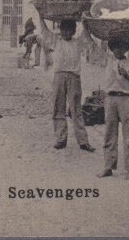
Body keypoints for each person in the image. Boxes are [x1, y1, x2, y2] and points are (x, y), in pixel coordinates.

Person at [38, 17, 98, 152]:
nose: (65, 33)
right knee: (58, 107)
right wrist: (41, 17)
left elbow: (86, 33)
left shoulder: (78, 43)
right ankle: (60, 139)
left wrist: (85, 21)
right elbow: (45, 31)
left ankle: (83, 141)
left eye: (68, 30)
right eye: (63, 30)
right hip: (59, 77)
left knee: (76, 109)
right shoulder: (56, 41)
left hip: (74, 78)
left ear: (73, 31)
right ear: (60, 31)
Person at [98, 37, 129, 180]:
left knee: (128, 134)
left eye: (122, 47)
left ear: (126, 49)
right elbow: (92, 45)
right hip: (110, 99)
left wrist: (128, 76)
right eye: (116, 47)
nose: (119, 50)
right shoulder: (108, 60)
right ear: (112, 48)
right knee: (110, 133)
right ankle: (108, 166)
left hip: (126, 99)